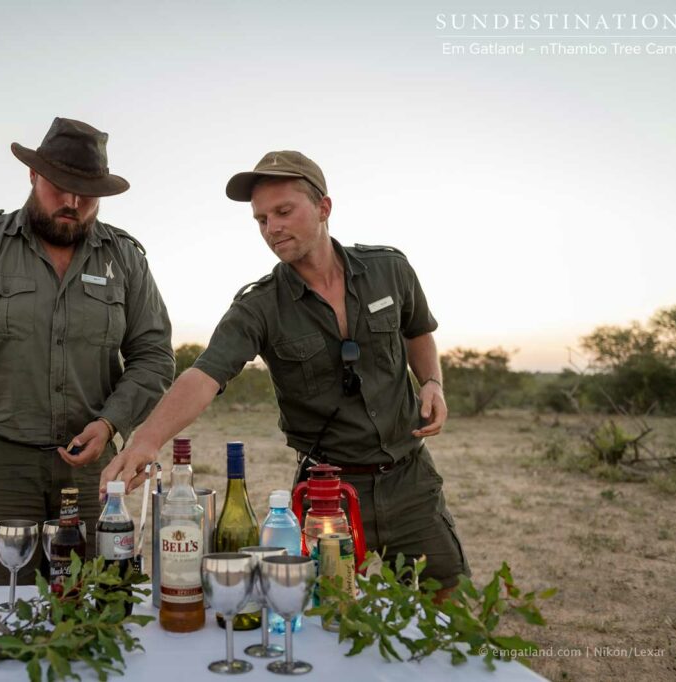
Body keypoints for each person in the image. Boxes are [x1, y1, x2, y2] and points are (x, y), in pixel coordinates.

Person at [99, 150, 469, 598]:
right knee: (332, 615)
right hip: (328, 493)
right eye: (260, 220)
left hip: (411, 480)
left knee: (449, 604)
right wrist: (145, 440)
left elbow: (419, 330)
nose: (271, 228)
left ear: (324, 208)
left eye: (283, 211)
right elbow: (204, 376)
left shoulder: (389, 269)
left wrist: (432, 382)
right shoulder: (259, 305)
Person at [0, 117, 174, 585]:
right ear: (33, 176)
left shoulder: (124, 259)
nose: (72, 203)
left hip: (93, 471)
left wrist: (111, 423)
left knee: (94, 606)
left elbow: (154, 354)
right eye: (60, 186)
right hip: (0, 466)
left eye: (87, 193)